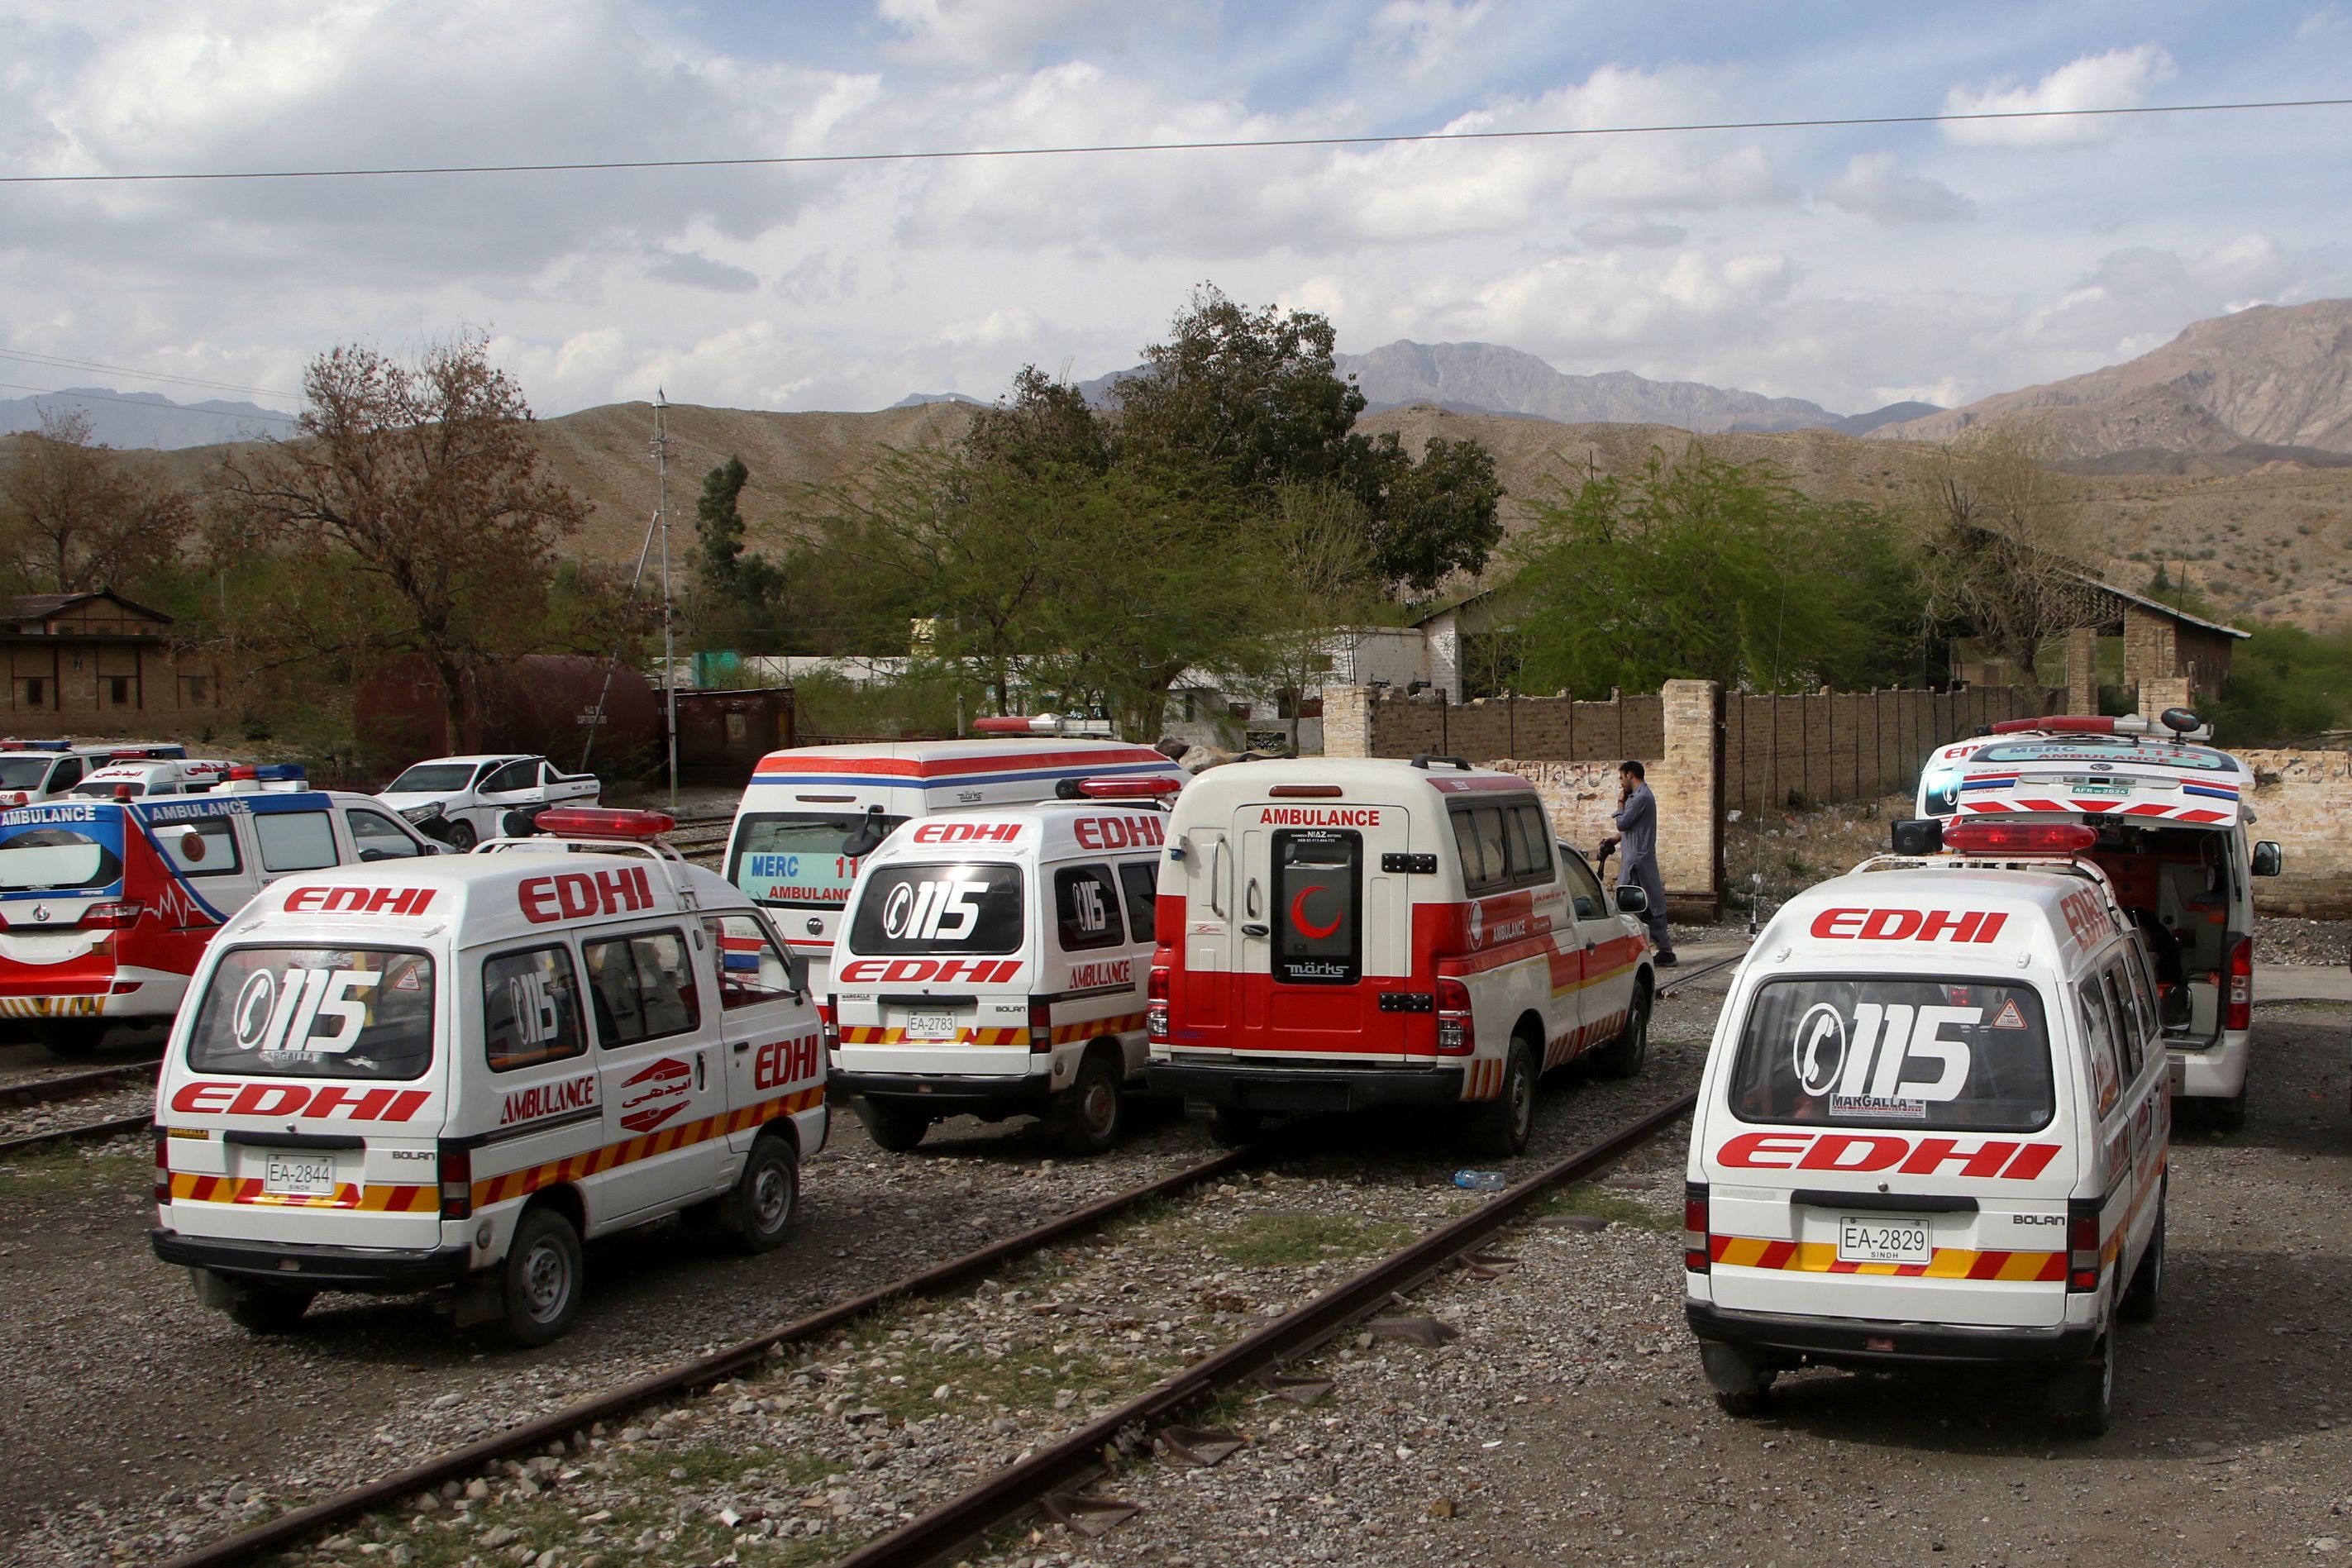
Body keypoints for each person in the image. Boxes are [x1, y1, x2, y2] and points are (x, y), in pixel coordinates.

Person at [1599, 760, 1677, 967]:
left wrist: (1620, 802)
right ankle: (1663, 950)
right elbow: (1633, 828)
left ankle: (1625, 951)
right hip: (1639, 860)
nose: (1621, 782)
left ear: (1630, 775)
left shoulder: (1639, 798)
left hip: (1636, 862)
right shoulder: (1642, 796)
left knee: (1626, 905)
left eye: (1621, 777)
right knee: (1649, 905)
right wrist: (1615, 839)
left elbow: (1623, 822)